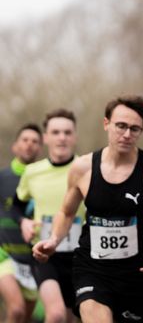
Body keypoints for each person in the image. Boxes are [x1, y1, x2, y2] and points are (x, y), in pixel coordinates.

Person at [32, 95, 143, 323]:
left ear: (141, 131)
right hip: (91, 268)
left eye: (134, 129)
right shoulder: (82, 168)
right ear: (106, 124)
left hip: (136, 273)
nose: (127, 134)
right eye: (121, 126)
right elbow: (66, 212)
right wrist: (54, 239)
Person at [16, 109, 84, 323]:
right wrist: (23, 221)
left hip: (81, 255)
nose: (62, 137)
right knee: (55, 315)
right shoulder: (32, 172)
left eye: (67, 132)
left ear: (75, 136)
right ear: (45, 137)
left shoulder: (88, 167)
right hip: (44, 254)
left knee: (71, 316)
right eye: (55, 132)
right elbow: (17, 205)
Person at [0, 123, 42, 323]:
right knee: (15, 310)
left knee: (24, 316)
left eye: (35, 141)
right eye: (25, 140)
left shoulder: (43, 179)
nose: (29, 145)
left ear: (40, 148)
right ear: (15, 146)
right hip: (4, 255)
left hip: (32, 260)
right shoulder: (2, 177)